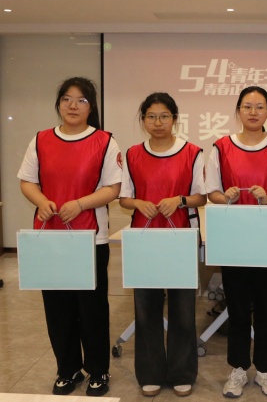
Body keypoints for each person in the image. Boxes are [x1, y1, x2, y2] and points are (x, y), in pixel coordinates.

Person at [18, 77, 122, 397]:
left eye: (81, 100)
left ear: (92, 107)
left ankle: (98, 371)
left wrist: (80, 204)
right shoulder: (40, 140)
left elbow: (113, 188)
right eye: (66, 99)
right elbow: (27, 181)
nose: (73, 105)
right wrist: (41, 201)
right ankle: (67, 369)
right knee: (57, 307)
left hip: (90, 239)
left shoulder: (105, 142)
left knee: (91, 309)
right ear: (58, 104)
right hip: (50, 239)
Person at [205, 86, 267, 398]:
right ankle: (238, 369)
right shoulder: (221, 147)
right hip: (234, 240)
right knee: (239, 309)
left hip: (266, 240)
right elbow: (212, 191)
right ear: (238, 111)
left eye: (259, 107)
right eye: (247, 106)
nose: (253, 112)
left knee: (266, 310)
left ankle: (266, 370)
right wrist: (225, 197)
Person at [119, 92, 206, 397]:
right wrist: (137, 203)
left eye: (164, 116)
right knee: (146, 308)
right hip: (144, 239)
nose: (158, 122)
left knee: (183, 308)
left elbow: (201, 196)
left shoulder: (192, 152)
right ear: (143, 120)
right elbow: (124, 198)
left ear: (174, 119)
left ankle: (182, 372)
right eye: (151, 116)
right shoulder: (132, 154)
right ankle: (151, 372)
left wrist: (180, 200)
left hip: (180, 237)